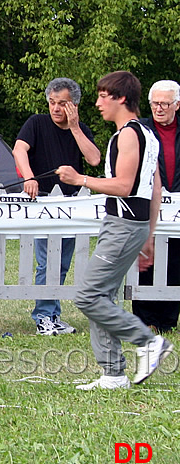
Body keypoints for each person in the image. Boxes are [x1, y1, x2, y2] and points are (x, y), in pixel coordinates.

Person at [57, 71, 174, 390]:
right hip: (131, 226)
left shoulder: (128, 135)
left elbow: (124, 185)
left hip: (122, 225)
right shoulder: (147, 134)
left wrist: (78, 179)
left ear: (121, 98)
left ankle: (149, 343)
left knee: (88, 295)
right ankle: (113, 374)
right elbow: (155, 186)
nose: (96, 103)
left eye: (103, 97)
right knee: (104, 296)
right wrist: (148, 235)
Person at [13, 78, 101, 336]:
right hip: (43, 202)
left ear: (74, 105)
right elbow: (19, 150)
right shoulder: (36, 123)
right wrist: (29, 177)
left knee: (62, 263)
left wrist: (74, 127)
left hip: (72, 206)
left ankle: (53, 314)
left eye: (62, 103)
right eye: (52, 102)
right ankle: (43, 316)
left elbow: (94, 159)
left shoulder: (80, 128)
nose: (55, 108)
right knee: (46, 262)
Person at [132, 80, 180, 332]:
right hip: (148, 203)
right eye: (154, 104)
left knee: (176, 262)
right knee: (146, 259)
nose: (159, 108)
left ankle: (168, 320)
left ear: (177, 105)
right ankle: (145, 318)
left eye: (165, 103)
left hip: (178, 208)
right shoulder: (140, 129)